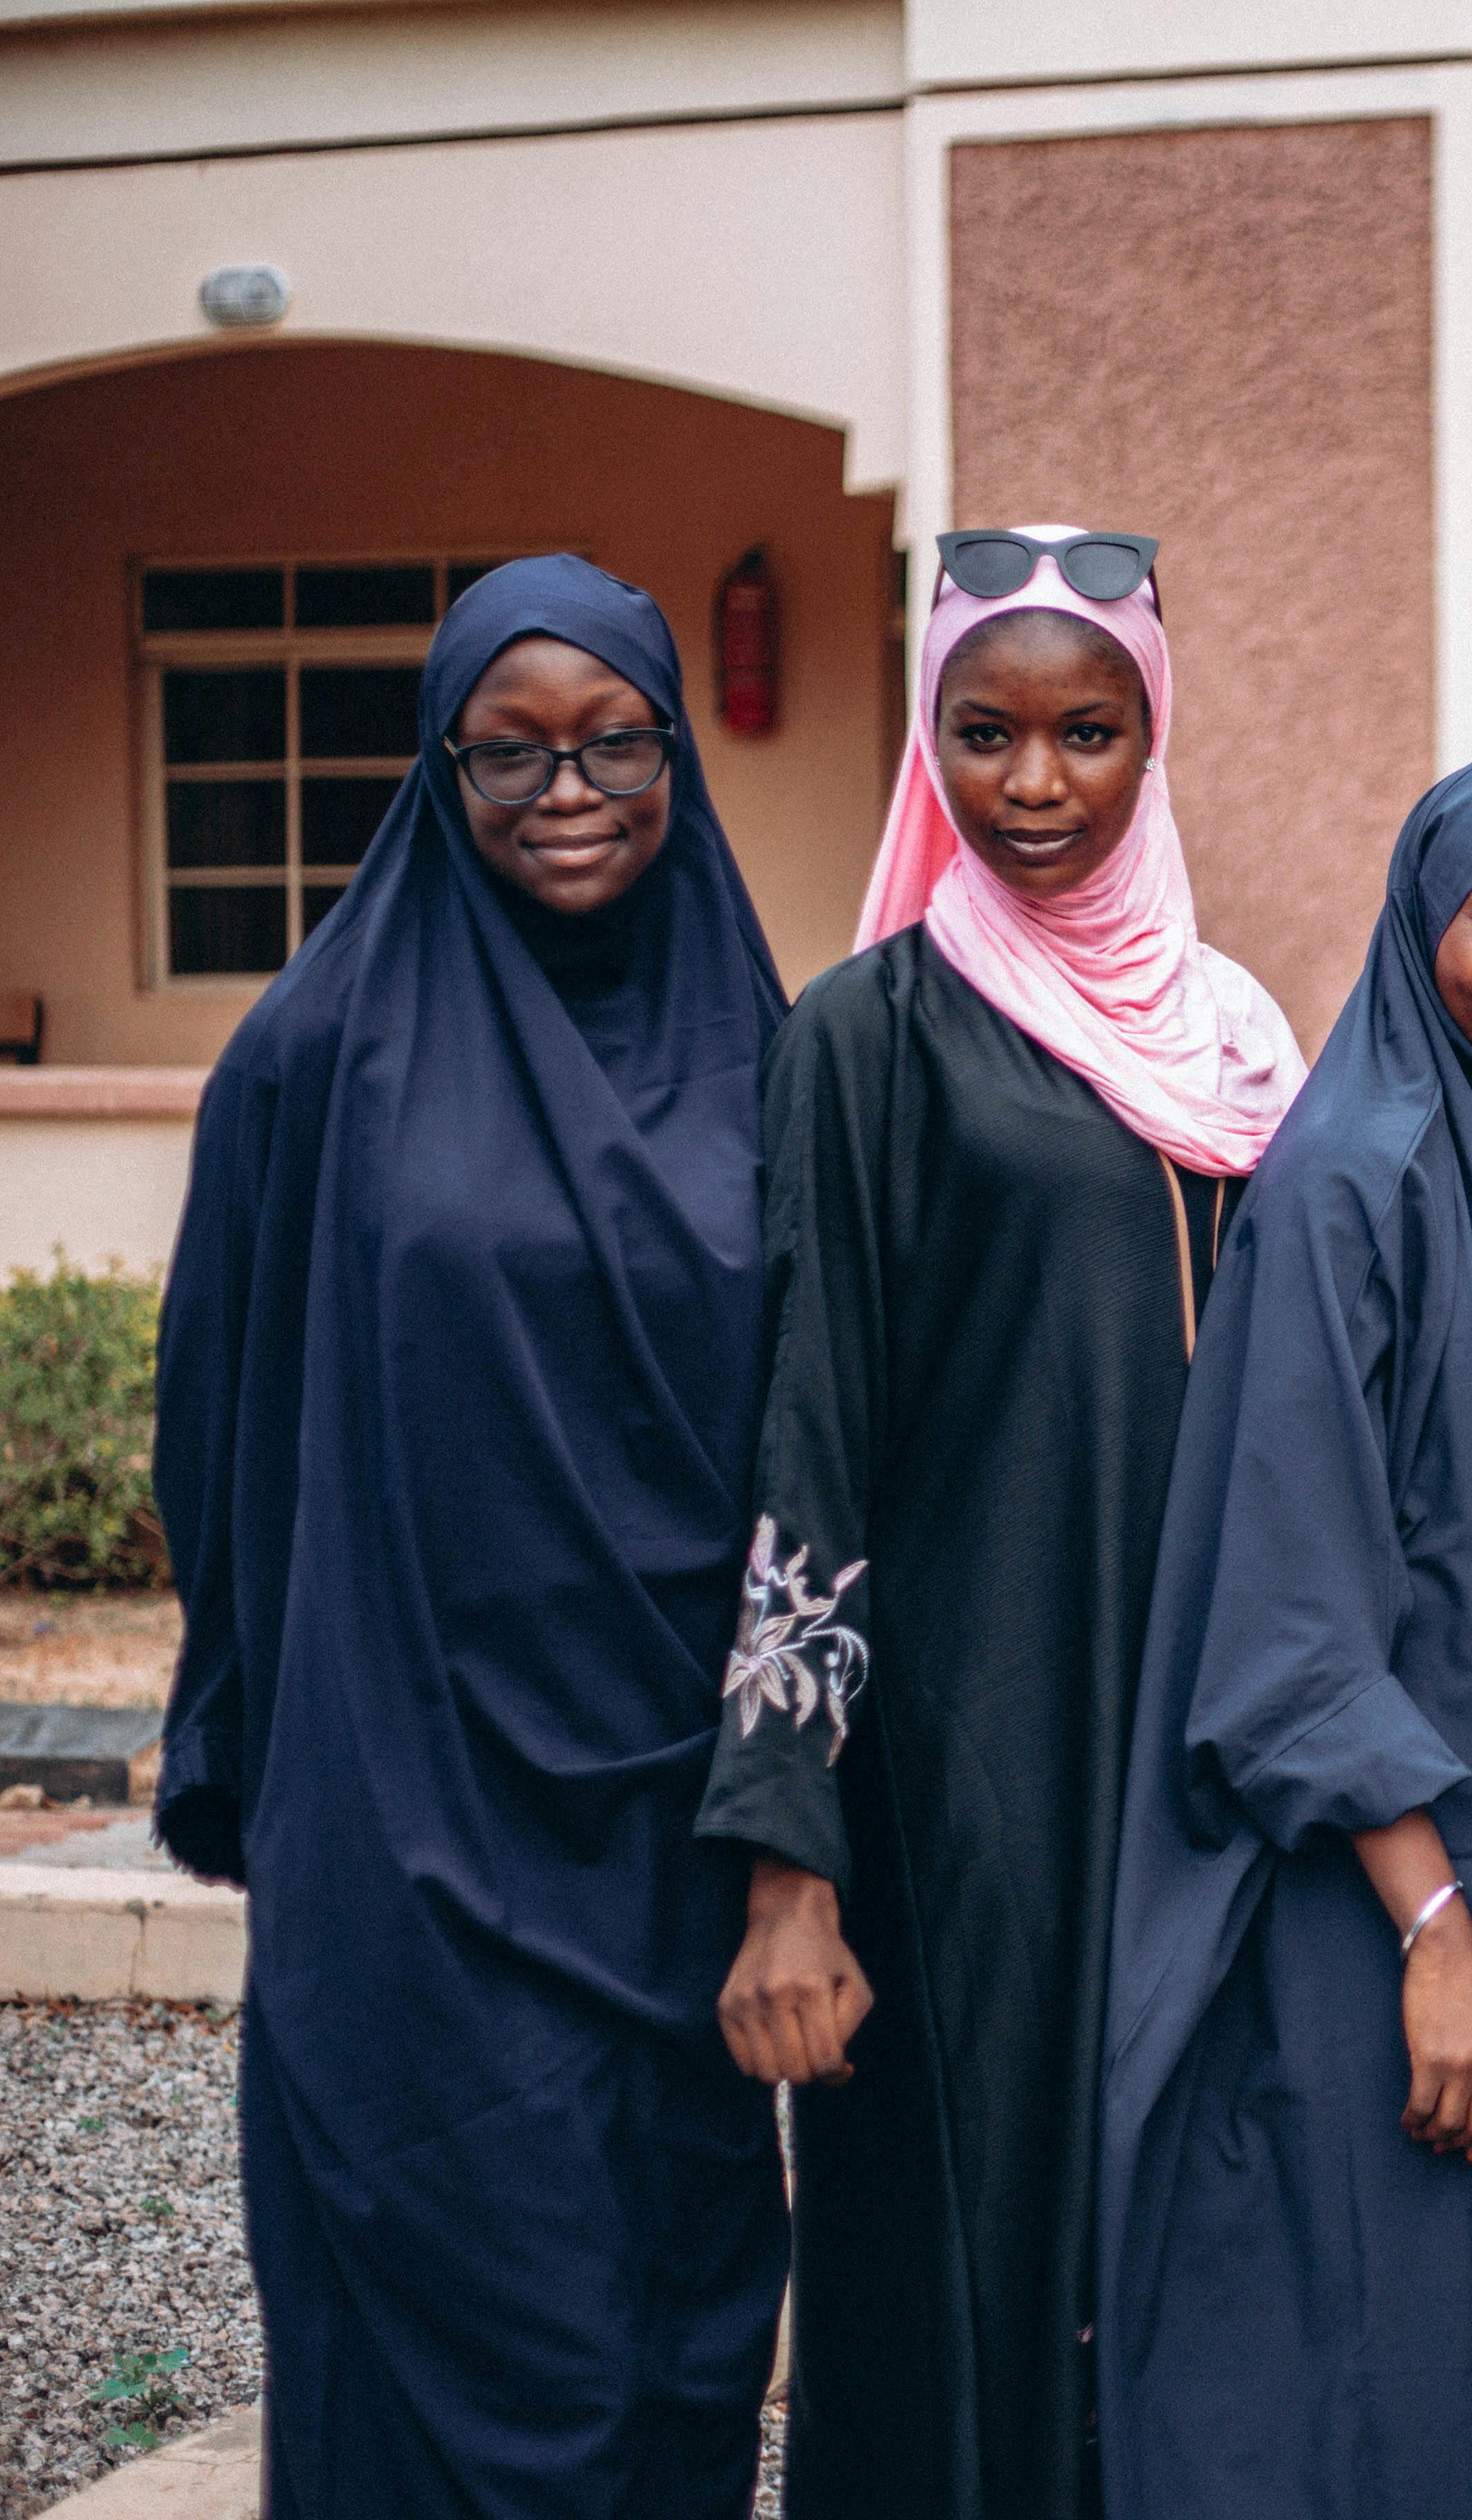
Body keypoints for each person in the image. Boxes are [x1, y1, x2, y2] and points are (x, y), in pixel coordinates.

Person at [151, 557, 790, 2518]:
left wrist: (804, 1822)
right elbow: (217, 1427)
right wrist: (257, 1733)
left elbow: (824, 1447)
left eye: (613, 743)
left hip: (680, 1821)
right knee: (452, 2312)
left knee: (670, 2326)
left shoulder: (780, 1060)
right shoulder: (310, 1063)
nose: (567, 791)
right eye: (504, 757)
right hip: (406, 1809)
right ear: (436, 775)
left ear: (677, 751)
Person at [696, 526, 1301, 2520]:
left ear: (1156, 739)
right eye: (984, 733)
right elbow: (810, 1438)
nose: (1034, 785)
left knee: (1190, 2262)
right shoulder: (865, 1036)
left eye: (1088, 733)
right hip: (969, 1793)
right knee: (968, 2277)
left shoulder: (1233, 1041)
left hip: (1204, 1764)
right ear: (927, 751)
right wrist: (792, 1870)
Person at [1097, 752, 1472, 2519]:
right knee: (1382, 2395)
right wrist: (1437, 1937)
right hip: (1384, 1911)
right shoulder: (1356, 1179)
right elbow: (1291, 1629)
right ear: (1421, 934)